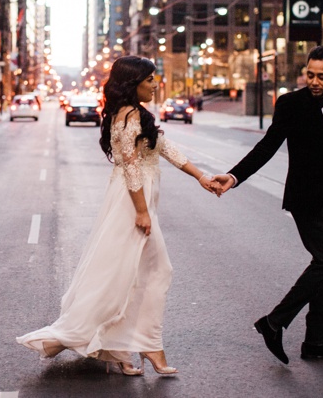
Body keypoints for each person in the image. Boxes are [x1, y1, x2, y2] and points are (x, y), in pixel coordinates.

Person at [17, 56, 220, 375]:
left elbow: (165, 149)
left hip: (140, 199)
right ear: (132, 83)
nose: (155, 84)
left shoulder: (138, 114)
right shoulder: (126, 117)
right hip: (130, 202)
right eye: (150, 79)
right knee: (154, 271)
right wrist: (141, 211)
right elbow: (130, 165)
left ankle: (120, 349)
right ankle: (149, 346)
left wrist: (201, 177)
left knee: (128, 274)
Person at [214, 45, 323, 364]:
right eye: (310, 74)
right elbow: (268, 145)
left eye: (322, 76)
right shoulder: (291, 104)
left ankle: (316, 341)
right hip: (306, 197)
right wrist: (235, 176)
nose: (314, 81)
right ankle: (274, 322)